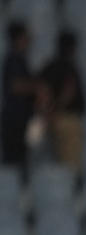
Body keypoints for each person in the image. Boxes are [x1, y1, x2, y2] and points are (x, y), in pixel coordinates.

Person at [37, 30, 85, 169]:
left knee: (55, 162)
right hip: (66, 119)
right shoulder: (68, 67)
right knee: (70, 165)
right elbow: (68, 92)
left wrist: (47, 113)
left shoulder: (49, 67)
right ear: (72, 48)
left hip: (50, 119)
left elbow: (41, 92)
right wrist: (56, 110)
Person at [1, 21, 35, 168]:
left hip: (21, 119)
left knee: (20, 160)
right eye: (25, 37)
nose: (28, 40)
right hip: (14, 120)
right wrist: (37, 87)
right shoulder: (13, 59)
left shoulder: (20, 59)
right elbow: (15, 86)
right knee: (13, 163)